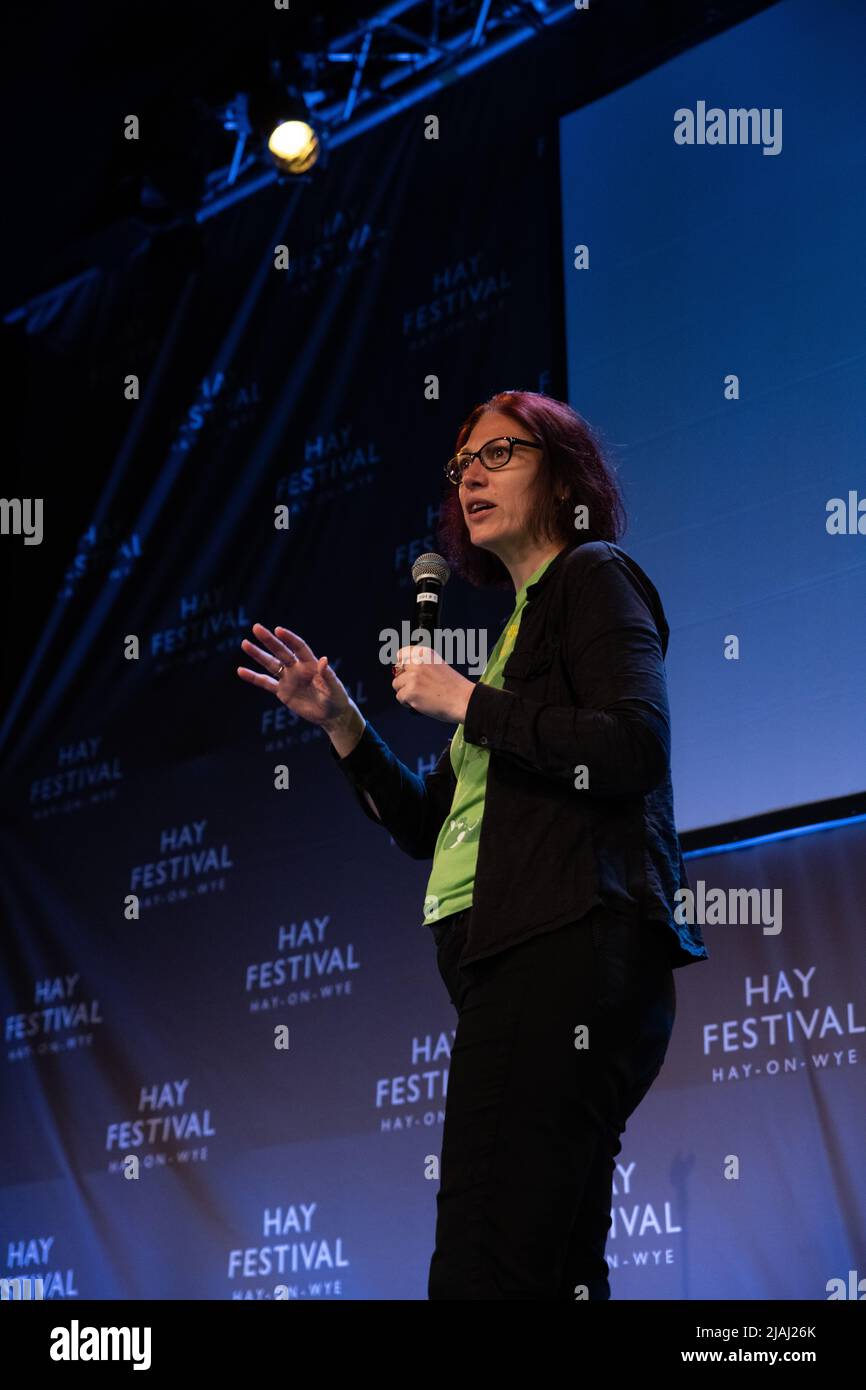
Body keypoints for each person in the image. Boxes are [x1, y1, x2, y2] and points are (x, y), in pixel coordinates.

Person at [237, 389, 708, 1300]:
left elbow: (633, 744)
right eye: (461, 468)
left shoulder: (592, 576)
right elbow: (422, 826)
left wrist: (466, 703)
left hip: (565, 951)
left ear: (563, 472)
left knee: (482, 1270)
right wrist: (343, 723)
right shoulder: (515, 637)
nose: (472, 478)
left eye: (501, 454)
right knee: (551, 1270)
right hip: (527, 964)